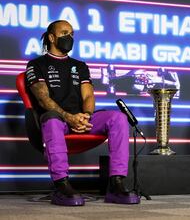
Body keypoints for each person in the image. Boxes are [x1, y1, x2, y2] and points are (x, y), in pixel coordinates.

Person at [25, 20, 140, 206]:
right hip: (57, 121)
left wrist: (85, 116)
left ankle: (116, 183)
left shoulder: (80, 66)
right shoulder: (36, 64)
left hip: (81, 120)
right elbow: (43, 99)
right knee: (52, 120)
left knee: (118, 118)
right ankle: (61, 184)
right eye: (64, 33)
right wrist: (69, 117)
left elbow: (88, 96)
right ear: (52, 37)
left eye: (71, 34)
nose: (69, 37)